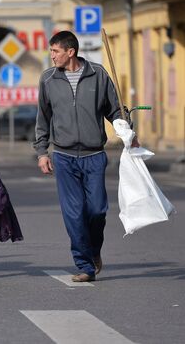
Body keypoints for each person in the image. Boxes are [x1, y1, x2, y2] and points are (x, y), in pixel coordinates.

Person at [34, 30, 137, 282]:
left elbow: (114, 110)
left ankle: (94, 251)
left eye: (55, 51)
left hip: (94, 154)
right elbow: (43, 118)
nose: (52, 56)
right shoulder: (48, 79)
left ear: (71, 52)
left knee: (97, 210)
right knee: (73, 212)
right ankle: (85, 265)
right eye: (51, 51)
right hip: (64, 156)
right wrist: (41, 152)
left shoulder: (98, 74)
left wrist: (125, 127)